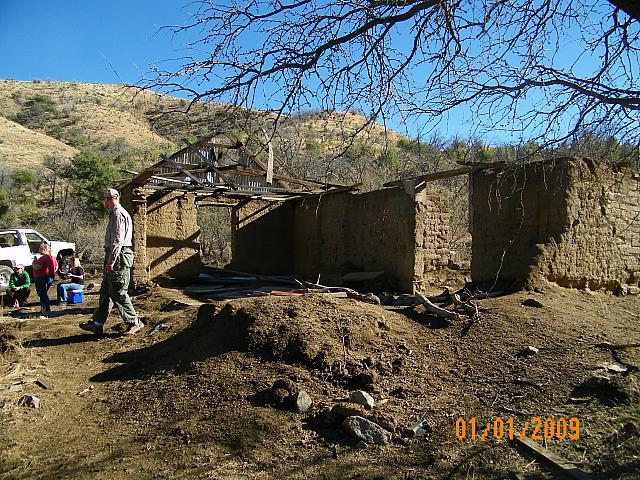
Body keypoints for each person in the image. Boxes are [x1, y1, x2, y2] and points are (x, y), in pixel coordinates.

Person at [79, 188, 144, 336]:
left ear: (113, 199)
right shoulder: (115, 213)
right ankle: (97, 323)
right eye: (106, 198)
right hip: (114, 256)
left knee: (118, 291)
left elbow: (117, 240)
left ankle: (134, 321)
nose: (106, 201)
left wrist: (111, 260)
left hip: (118, 256)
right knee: (106, 291)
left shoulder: (118, 214)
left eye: (108, 199)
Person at [33, 242, 58, 318]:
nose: (39, 250)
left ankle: (46, 308)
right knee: (44, 293)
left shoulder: (43, 258)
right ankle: (44, 308)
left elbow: (37, 267)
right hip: (49, 276)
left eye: (40, 249)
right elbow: (56, 267)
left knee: (42, 293)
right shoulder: (52, 257)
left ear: (44, 250)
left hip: (41, 277)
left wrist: (33, 263)